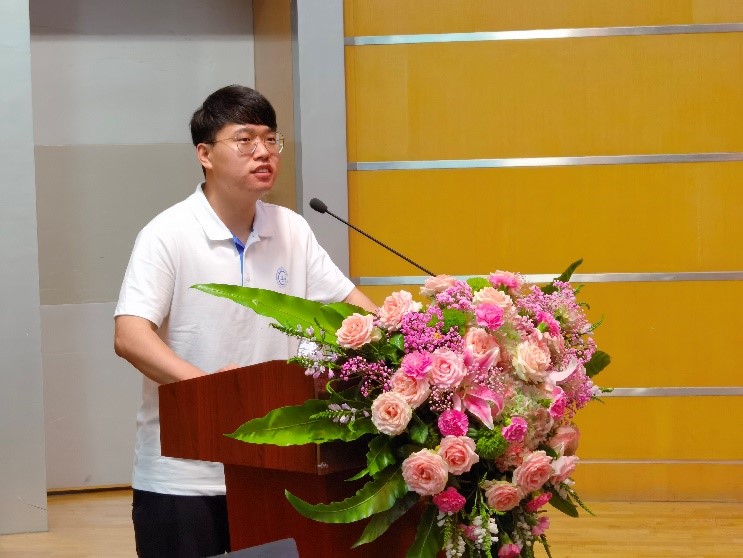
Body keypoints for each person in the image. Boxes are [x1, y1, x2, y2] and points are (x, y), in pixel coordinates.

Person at [114, 84, 376, 557]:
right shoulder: (167, 233)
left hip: (273, 468)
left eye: (271, 139)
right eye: (244, 140)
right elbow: (131, 336)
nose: (263, 152)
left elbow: (352, 309)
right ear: (205, 154)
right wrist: (214, 393)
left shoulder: (291, 228)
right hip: (184, 475)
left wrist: (418, 337)